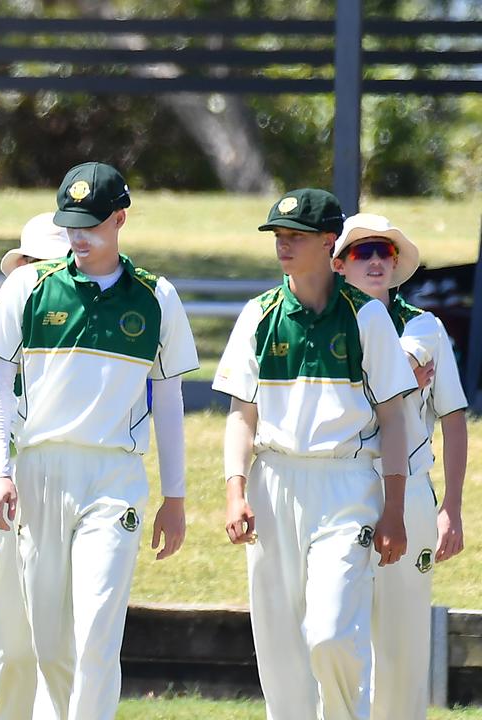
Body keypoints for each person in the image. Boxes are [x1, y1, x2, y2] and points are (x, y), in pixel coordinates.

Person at [0, 161, 196, 719]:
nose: (79, 237)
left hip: (113, 478)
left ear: (121, 218)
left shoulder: (157, 296)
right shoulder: (28, 285)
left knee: (97, 629)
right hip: (39, 474)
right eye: (71, 224)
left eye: (92, 224)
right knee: (51, 645)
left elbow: (168, 402)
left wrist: (175, 498)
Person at [216, 190, 417, 720]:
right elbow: (242, 413)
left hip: (347, 484)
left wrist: (393, 509)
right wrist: (235, 491)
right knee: (279, 643)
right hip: (273, 480)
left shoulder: (367, 319)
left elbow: (395, 418)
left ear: (330, 242)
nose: (283, 245)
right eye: (279, 236)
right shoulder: (258, 315)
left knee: (330, 634)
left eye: (296, 236)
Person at [331, 213, 468, 720]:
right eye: (361, 252)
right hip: (338, 483)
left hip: (410, 491)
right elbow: (376, 386)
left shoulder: (423, 325)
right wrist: (401, 375)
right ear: (339, 263)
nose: (373, 262)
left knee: (404, 642)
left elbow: (453, 418)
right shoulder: (323, 325)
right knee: (335, 631)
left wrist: (451, 508)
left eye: (383, 252)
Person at [0, 212, 68, 720]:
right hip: (8, 484)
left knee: (65, 629)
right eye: (32, 265)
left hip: (69, 482)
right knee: (11, 634)